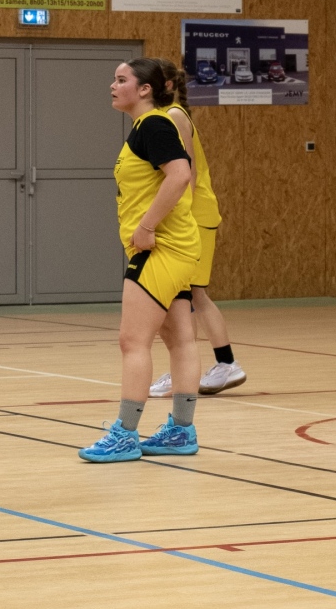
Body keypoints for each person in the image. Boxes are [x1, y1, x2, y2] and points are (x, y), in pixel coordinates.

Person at [80, 58, 202, 462]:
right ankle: (181, 431)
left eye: (121, 80)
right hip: (177, 247)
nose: (112, 86)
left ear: (145, 89)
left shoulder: (153, 125)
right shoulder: (147, 127)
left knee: (132, 341)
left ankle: (125, 434)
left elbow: (181, 175)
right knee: (180, 339)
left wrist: (147, 226)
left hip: (160, 248)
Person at [148, 61, 247, 400]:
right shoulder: (165, 116)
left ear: (166, 85)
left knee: (190, 295)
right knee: (187, 296)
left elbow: (185, 171)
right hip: (191, 215)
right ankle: (203, 366)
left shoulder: (174, 116)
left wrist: (181, 217)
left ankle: (222, 364)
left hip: (194, 215)